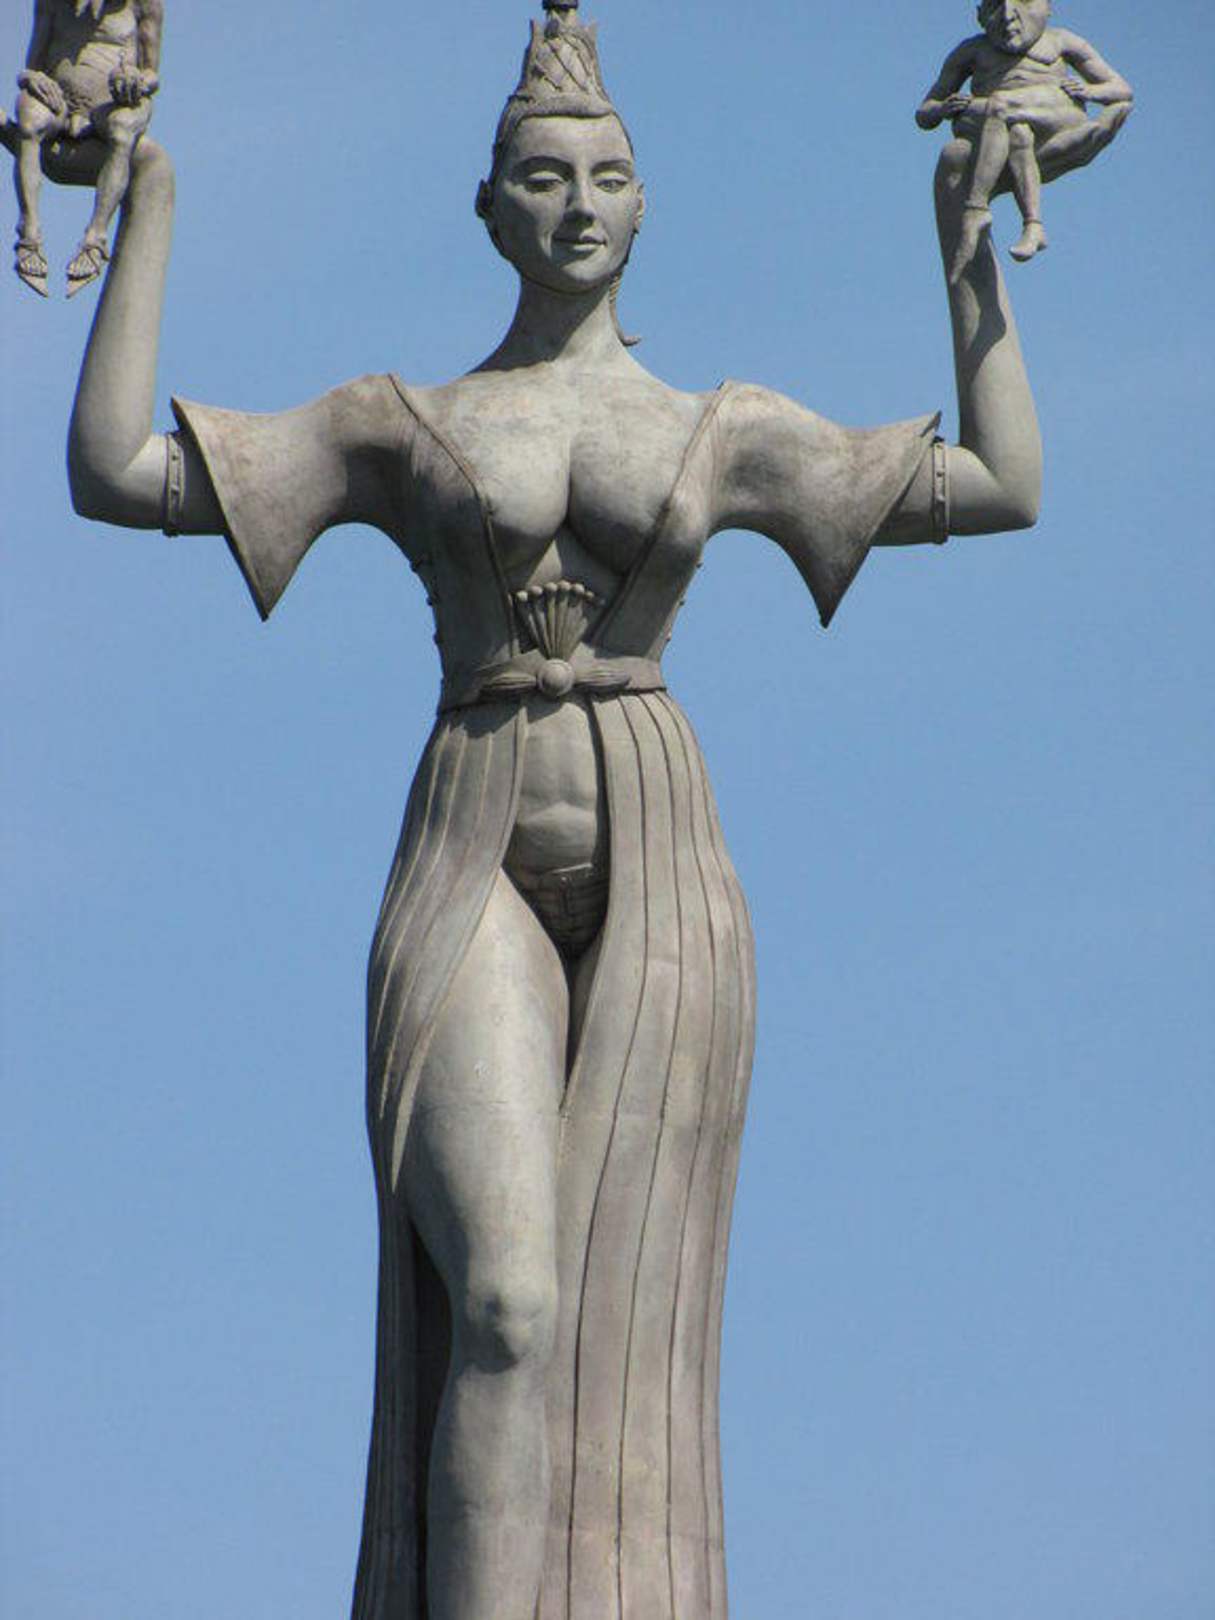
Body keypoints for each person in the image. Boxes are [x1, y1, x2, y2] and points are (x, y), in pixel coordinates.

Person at [63, 3, 1044, 1617]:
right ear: (489, 208)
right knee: (510, 1303)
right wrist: (144, 194)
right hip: (472, 836)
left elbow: (1004, 485)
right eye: (542, 176)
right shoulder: (404, 421)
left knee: (624, 1308)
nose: (577, 205)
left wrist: (967, 244)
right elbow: (115, 474)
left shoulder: (718, 428)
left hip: (660, 851)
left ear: (643, 206)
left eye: (604, 177)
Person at [916, 0, 1132, 282]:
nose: (1009, 15)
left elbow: (1121, 89)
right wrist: (943, 108)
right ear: (980, 15)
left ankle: (975, 209)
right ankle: (1033, 225)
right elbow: (925, 112)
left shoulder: (1061, 41)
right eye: (995, 5)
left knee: (1000, 106)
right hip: (998, 126)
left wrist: (1089, 91)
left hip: (1052, 113)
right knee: (1017, 132)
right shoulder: (973, 51)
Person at [7, 0, 162, 296]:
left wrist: (138, 82)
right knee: (28, 119)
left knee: (122, 130)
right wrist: (32, 78)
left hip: (112, 104)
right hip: (58, 103)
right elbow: (31, 67)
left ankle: (95, 238)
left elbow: (152, 72)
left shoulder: (143, 5)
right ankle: (29, 234)